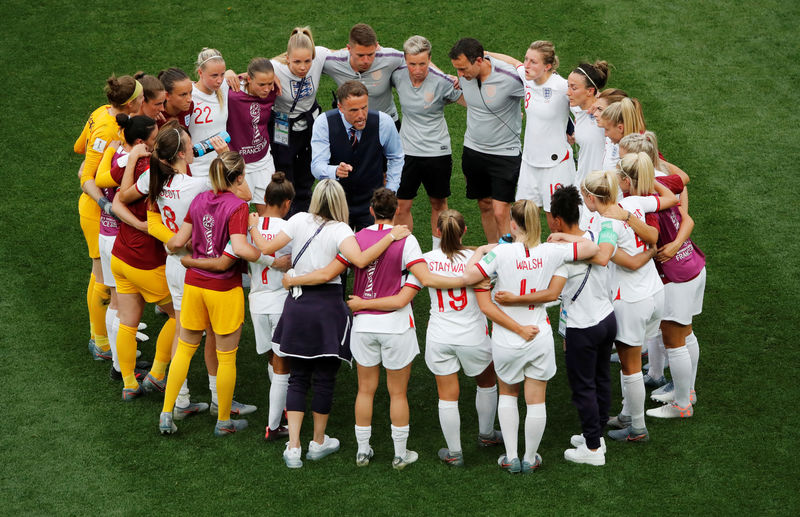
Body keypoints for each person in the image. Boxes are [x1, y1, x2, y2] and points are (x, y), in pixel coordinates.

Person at [246, 179, 410, 469]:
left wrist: (253, 226)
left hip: (296, 306)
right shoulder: (342, 230)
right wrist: (391, 237)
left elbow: (265, 247)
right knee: (324, 378)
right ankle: (318, 442)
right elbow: (359, 261)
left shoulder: (297, 220)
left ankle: (293, 446)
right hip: (327, 310)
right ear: (340, 202)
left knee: (297, 376)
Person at [444, 200, 599, 473]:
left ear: (513, 224)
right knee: (536, 398)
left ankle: (511, 457)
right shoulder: (552, 251)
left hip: (506, 336)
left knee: (508, 393)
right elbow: (592, 248)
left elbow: (469, 275)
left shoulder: (501, 253)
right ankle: (530, 457)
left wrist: (481, 250)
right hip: (538, 333)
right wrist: (563, 237)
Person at [181, 173, 297, 439]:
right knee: (284, 361)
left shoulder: (246, 229)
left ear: (264, 200)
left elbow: (235, 255)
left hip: (257, 303)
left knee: (271, 357)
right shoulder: (292, 231)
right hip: (280, 303)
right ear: (288, 204)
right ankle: (283, 413)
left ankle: (280, 409)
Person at [158, 151, 264, 436]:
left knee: (184, 349)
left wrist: (191, 255)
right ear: (239, 177)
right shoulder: (238, 206)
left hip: (193, 286)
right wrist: (264, 257)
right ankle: (224, 421)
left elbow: (177, 241)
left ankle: (167, 413)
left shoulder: (199, 199)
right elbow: (241, 248)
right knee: (226, 356)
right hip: (223, 289)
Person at [579, 161, 676, 443]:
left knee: (629, 364)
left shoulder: (602, 224)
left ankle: (637, 427)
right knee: (629, 359)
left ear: (591, 198)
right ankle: (626, 414)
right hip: (655, 293)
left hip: (631, 300)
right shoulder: (633, 202)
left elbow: (620, 260)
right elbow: (668, 202)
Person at [405, 209, 501, 467]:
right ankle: (487, 434)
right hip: (474, 336)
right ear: (464, 232)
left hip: (440, 336)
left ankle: (455, 452)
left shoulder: (424, 260)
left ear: (437, 231)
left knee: (447, 394)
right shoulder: (478, 258)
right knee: (487, 380)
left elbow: (407, 291)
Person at [74, 74, 143, 362]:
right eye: (141, 98)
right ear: (131, 104)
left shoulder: (101, 112)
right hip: (96, 212)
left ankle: (102, 335)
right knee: (102, 279)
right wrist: (105, 203)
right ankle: (101, 341)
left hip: (102, 211)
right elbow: (85, 176)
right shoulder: (106, 128)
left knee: (102, 276)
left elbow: (80, 148)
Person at [110, 122, 177, 401]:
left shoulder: (128, 165)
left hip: (120, 256)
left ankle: (128, 383)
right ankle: (158, 374)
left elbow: (116, 201)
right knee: (180, 316)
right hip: (147, 262)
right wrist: (143, 225)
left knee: (128, 322)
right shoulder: (165, 177)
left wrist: (136, 224)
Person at [95, 115, 160, 382]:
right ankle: (122, 367)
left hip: (107, 233)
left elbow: (97, 177)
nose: (155, 144)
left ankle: (122, 367)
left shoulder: (117, 155)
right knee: (120, 307)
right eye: (154, 139)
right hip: (120, 238)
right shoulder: (131, 162)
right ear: (140, 142)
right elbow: (121, 191)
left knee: (120, 305)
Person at [488, 41, 577, 232]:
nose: (527, 65)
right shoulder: (527, 77)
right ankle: (525, 261)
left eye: (533, 62)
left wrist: (575, 129)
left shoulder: (562, 87)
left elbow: (587, 103)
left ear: (548, 66)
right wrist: (485, 53)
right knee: (521, 222)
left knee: (557, 224)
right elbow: (512, 62)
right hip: (529, 163)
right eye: (526, 59)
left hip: (556, 165)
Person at [448, 38, 524, 243]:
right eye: (457, 70)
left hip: (505, 153)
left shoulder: (510, 77)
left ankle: (512, 257)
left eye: (463, 69)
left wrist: (568, 128)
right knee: (484, 204)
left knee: (501, 211)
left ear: (479, 60)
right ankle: (494, 253)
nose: (460, 75)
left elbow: (542, 98)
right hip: (473, 150)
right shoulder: (464, 74)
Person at [391, 35, 463, 244]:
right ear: (405, 60)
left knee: (439, 203)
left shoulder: (443, 81)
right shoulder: (397, 76)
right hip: (406, 151)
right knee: (401, 205)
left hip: (437, 151)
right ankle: (403, 254)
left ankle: (439, 253)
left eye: (423, 63)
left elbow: (472, 101)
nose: (418, 69)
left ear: (430, 59)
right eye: (412, 64)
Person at [310, 80, 403, 230]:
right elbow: (317, 165)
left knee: (372, 251)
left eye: (364, 107)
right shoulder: (324, 123)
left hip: (372, 204)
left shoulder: (384, 122)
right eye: (354, 110)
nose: (361, 115)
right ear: (340, 107)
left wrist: (390, 191)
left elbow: (396, 157)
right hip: (335, 202)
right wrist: (335, 171)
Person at [270, 27, 330, 214]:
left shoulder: (319, 54)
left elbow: (345, 54)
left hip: (310, 122)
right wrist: (230, 73)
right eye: (296, 62)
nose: (303, 67)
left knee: (308, 164)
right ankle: (286, 210)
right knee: (284, 167)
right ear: (287, 58)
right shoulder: (273, 67)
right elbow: (246, 76)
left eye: (307, 61)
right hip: (283, 124)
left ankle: (305, 207)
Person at [323, 23, 405, 125]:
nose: (366, 61)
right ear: (349, 49)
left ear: (376, 46)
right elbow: (310, 56)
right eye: (360, 55)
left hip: (386, 122)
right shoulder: (334, 62)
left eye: (370, 54)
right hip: (351, 123)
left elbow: (417, 58)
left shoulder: (389, 58)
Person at [226, 57, 278, 215]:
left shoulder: (273, 90)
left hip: (263, 160)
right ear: (248, 79)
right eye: (261, 84)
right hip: (240, 164)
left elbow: (287, 57)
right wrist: (228, 73)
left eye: (270, 83)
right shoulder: (232, 96)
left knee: (270, 215)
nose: (267, 89)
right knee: (239, 214)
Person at [566, 61, 609, 189]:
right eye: (568, 86)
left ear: (590, 91)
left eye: (573, 88)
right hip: (582, 185)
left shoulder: (606, 116)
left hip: (600, 189)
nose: (568, 92)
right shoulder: (578, 108)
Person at [189, 48, 230, 177]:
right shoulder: (189, 94)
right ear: (200, 72)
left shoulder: (223, 88)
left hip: (220, 166)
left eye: (222, 74)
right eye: (214, 76)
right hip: (196, 168)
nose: (219, 80)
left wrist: (231, 73)